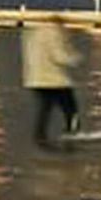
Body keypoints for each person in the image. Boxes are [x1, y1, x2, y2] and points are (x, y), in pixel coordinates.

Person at [21, 15, 81, 147]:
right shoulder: (54, 34)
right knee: (71, 110)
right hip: (55, 81)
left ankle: (40, 137)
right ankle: (71, 135)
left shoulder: (33, 34)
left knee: (45, 109)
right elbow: (59, 56)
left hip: (35, 79)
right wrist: (75, 58)